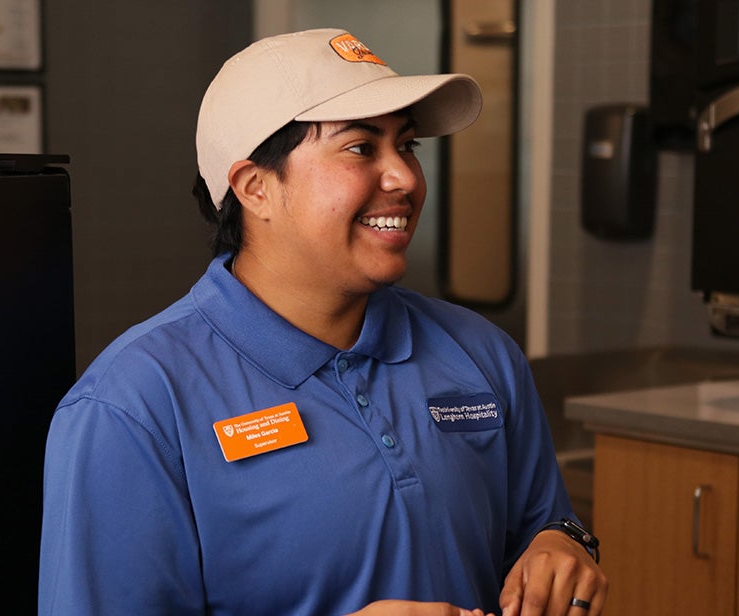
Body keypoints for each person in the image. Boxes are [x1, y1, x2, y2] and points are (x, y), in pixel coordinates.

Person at [38, 28, 607, 616]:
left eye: (407, 145)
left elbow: (543, 527)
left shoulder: (482, 353)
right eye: (361, 148)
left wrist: (561, 542)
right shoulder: (132, 408)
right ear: (256, 188)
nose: (406, 178)